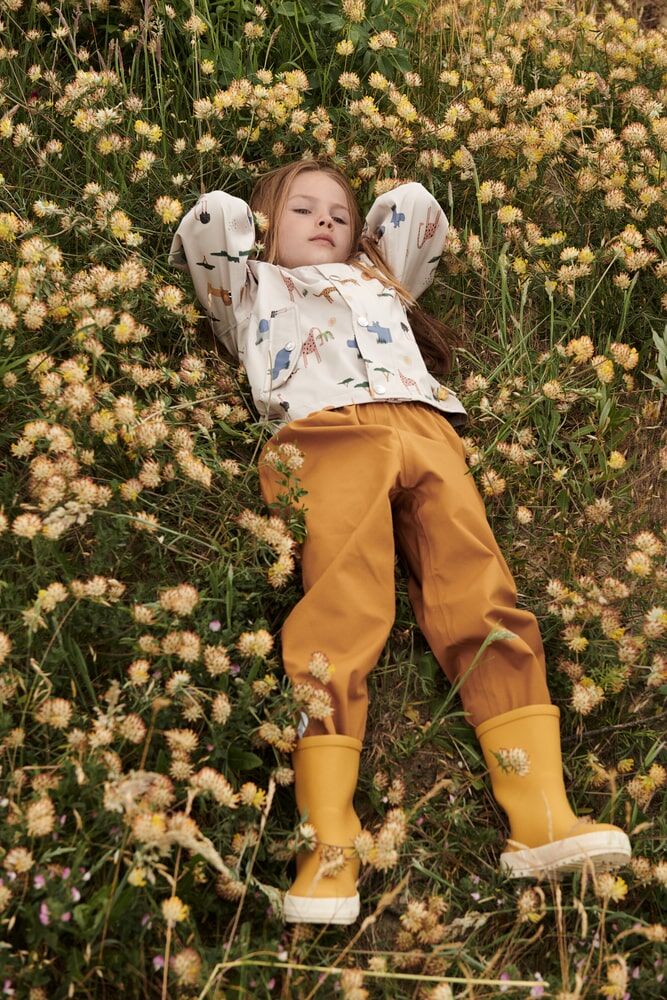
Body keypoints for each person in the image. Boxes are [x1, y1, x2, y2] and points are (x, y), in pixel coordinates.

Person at [169, 160, 631, 926]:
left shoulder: (379, 280)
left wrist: (359, 247)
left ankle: (539, 811)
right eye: (302, 210)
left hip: (424, 430)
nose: (325, 219)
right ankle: (328, 843)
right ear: (265, 228)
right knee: (341, 610)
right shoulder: (249, 289)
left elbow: (416, 211)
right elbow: (209, 225)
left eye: (339, 212)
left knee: (481, 593)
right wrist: (255, 223)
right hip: (323, 437)